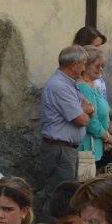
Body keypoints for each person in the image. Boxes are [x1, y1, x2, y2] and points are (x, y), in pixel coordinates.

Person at [40, 46, 93, 192]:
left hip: (66, 150)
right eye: (83, 64)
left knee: (65, 194)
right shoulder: (59, 86)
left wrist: (86, 110)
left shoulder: (69, 83)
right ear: (74, 65)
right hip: (60, 151)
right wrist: (85, 111)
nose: (84, 68)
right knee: (57, 195)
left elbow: (89, 107)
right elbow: (81, 119)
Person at [79, 46, 112, 167]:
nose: (100, 69)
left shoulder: (93, 85)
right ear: (85, 65)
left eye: (102, 66)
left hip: (98, 144)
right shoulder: (84, 88)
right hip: (90, 146)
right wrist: (107, 137)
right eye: (97, 66)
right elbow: (91, 122)